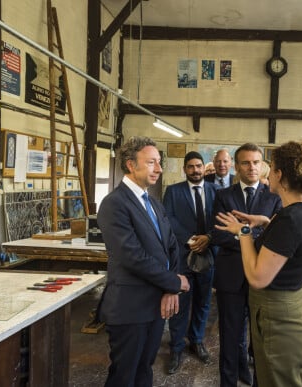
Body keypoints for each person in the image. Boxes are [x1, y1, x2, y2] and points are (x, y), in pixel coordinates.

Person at [215, 140, 302, 387]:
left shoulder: (290, 220)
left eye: (269, 167)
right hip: (289, 309)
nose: (264, 172)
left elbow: (257, 277)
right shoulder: (301, 211)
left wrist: (242, 232)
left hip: (281, 319)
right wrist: (264, 221)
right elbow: (286, 239)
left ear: (280, 175)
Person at [97, 136, 190, 387]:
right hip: (130, 307)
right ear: (130, 165)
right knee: (124, 376)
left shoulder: (154, 204)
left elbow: (172, 246)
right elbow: (132, 256)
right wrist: (173, 281)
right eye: (151, 162)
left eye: (158, 162)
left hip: (156, 305)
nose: (159, 169)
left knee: (144, 371)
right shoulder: (114, 204)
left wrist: (170, 288)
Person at [211, 143, 282, 387]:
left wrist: (240, 233)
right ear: (236, 166)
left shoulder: (274, 199)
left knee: (260, 338)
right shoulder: (223, 196)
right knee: (229, 336)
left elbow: (276, 239)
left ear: (263, 165)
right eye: (245, 162)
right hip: (231, 276)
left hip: (262, 276)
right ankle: (228, 382)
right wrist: (254, 236)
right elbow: (219, 236)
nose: (251, 167)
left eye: (256, 162)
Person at [162, 152, 218, 374]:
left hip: (209, 255)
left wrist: (209, 238)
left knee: (203, 302)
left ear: (204, 168)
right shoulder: (173, 191)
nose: (196, 170)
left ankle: (197, 341)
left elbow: (221, 218)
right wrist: (192, 239)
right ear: (185, 169)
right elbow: (168, 219)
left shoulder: (216, 191)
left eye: (199, 166)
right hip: (183, 256)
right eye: (191, 167)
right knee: (180, 305)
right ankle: (176, 348)